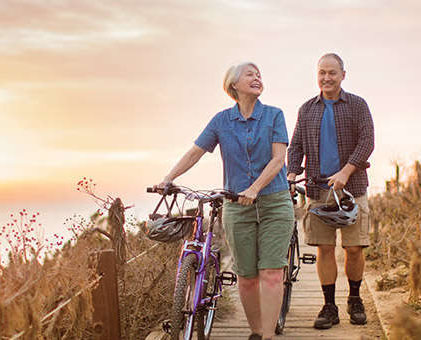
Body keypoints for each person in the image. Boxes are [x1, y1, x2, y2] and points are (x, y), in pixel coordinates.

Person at [157, 62, 294, 340]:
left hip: (274, 204)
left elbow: (279, 159)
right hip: (236, 207)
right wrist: (168, 177)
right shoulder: (221, 121)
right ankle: (256, 331)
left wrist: (255, 188)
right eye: (250, 74)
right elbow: (195, 152)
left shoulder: (274, 116)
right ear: (233, 85)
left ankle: (267, 336)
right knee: (246, 276)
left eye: (259, 75)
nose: (257, 78)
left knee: (271, 273)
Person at [287, 53, 374, 329]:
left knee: (354, 248)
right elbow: (296, 146)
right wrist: (292, 172)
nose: (327, 78)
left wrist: (346, 172)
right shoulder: (307, 109)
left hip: (353, 189)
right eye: (322, 73)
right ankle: (329, 306)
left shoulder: (358, 105)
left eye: (332, 73)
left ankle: (355, 299)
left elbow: (367, 141)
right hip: (317, 189)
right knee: (325, 249)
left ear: (343, 75)